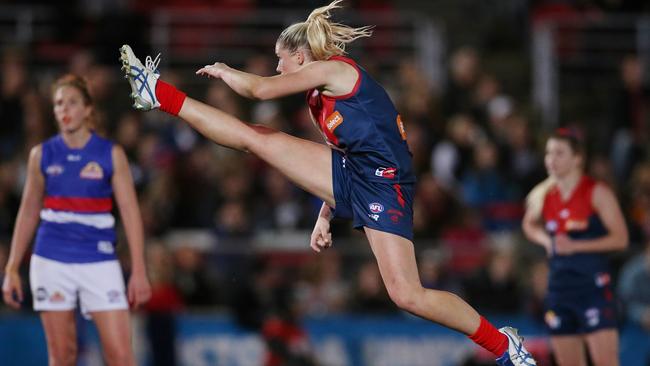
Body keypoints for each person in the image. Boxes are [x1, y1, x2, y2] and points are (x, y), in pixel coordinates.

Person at [119, 1, 536, 364]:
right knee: (256, 140)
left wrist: (227, 70)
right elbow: (341, 154)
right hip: (354, 175)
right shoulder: (318, 96)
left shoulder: (334, 71)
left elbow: (260, 90)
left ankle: (503, 343)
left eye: (282, 59)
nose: (279, 67)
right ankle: (159, 94)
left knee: (407, 295)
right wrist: (325, 211)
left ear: (302, 57)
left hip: (384, 184)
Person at [2, 74, 151, 366]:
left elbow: (131, 213)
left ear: (88, 109)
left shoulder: (111, 154)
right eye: (58, 104)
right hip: (51, 260)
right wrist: (11, 267)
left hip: (99, 259)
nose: (64, 109)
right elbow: (29, 212)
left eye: (72, 102)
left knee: (122, 356)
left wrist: (139, 270)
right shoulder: (41, 155)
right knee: (63, 356)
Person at [522, 127, 628, 366]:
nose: (551, 159)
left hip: (592, 288)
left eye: (559, 153)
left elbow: (620, 238)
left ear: (577, 158)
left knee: (605, 362)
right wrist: (547, 242)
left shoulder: (596, 192)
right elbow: (528, 224)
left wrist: (576, 246)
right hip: (560, 288)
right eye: (549, 153)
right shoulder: (545, 194)